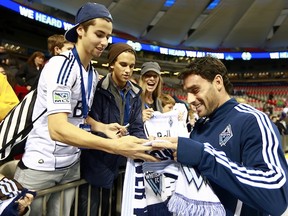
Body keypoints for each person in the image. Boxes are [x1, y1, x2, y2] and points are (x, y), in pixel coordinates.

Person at [13, 3, 157, 216]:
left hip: (71, 164)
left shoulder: (90, 73)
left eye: (108, 37)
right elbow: (58, 129)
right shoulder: (61, 67)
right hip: (41, 165)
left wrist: (102, 127)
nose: (104, 42)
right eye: (99, 34)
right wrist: (114, 145)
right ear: (80, 30)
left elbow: (79, 114)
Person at [151, 56, 288, 215]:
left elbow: (277, 194)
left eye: (195, 90)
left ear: (218, 82)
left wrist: (203, 156)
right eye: (187, 93)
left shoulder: (253, 121)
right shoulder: (200, 126)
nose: (189, 100)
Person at [79, 42, 146, 215]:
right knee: (91, 211)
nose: (128, 70)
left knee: (116, 210)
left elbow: (137, 127)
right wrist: (114, 137)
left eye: (131, 66)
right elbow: (89, 126)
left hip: (123, 166)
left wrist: (142, 144)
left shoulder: (136, 93)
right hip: (97, 164)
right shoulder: (97, 90)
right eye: (123, 65)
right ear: (111, 64)